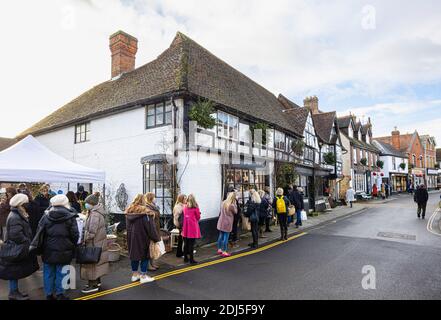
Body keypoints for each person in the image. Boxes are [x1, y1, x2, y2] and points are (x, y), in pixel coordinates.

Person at [31, 194, 79, 300]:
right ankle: (60, 294)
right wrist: (72, 245)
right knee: (62, 272)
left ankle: (49, 294)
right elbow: (75, 234)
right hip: (64, 248)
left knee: (48, 272)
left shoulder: (46, 216)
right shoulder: (70, 216)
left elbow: (39, 233)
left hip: (48, 249)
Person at [0, 194, 39, 300]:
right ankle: (13, 293)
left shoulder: (17, 213)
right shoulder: (15, 216)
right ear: (20, 204)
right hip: (16, 247)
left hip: (17, 246)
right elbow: (16, 234)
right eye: (25, 203)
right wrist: (26, 241)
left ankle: (15, 291)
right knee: (13, 271)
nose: (27, 204)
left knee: (15, 271)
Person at [125, 194, 160, 284]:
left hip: (131, 238)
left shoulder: (129, 212)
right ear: (143, 201)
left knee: (134, 256)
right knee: (145, 256)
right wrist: (156, 238)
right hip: (143, 238)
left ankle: (135, 275)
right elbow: (150, 229)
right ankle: (143, 276)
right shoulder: (146, 214)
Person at [80, 194, 109, 293]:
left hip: (93, 243)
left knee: (91, 264)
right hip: (98, 243)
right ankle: (97, 281)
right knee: (96, 262)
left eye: (87, 203)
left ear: (92, 203)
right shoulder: (96, 212)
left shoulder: (94, 215)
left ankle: (93, 285)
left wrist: (83, 239)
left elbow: (91, 232)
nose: (86, 205)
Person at [182, 194, 201, 264]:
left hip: (186, 227)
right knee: (191, 244)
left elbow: (185, 215)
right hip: (192, 227)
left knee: (186, 243)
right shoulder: (195, 208)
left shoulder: (184, 207)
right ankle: (191, 260)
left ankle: (186, 258)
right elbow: (198, 217)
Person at [144, 192, 161, 271]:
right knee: (149, 247)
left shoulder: (153, 205)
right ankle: (148, 265)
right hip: (150, 229)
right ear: (150, 198)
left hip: (155, 228)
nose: (155, 198)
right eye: (154, 197)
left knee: (153, 247)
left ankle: (152, 263)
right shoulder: (147, 206)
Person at [217, 192, 238, 257]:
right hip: (227, 223)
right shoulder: (231, 205)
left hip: (221, 221)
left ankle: (219, 249)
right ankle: (224, 251)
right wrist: (235, 204)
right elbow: (236, 212)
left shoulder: (223, 202)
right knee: (226, 237)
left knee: (221, 236)